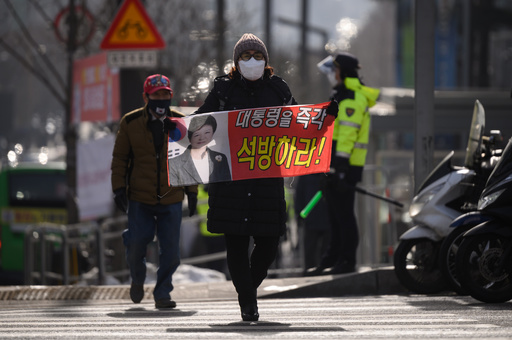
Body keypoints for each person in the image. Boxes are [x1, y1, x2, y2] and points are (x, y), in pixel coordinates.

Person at [193, 33, 298, 322]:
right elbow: (200, 124)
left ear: (266, 61)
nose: (252, 60)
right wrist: (177, 127)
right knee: (236, 244)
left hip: (267, 178)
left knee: (269, 244)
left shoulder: (279, 90)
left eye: (257, 55)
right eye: (245, 55)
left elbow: (299, 125)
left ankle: (247, 290)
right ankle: (248, 303)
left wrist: (325, 117)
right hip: (231, 180)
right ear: (236, 62)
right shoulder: (223, 92)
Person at [111, 74, 198, 309]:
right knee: (138, 242)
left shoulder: (180, 122)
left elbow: (189, 159)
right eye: (156, 95)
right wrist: (118, 187)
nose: (161, 100)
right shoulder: (130, 123)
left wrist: (192, 192)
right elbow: (120, 158)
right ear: (145, 97)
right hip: (140, 196)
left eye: (165, 95)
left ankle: (162, 293)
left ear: (170, 96)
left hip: (171, 197)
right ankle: (137, 278)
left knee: (171, 252)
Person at [305, 53, 380, 276]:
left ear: (343, 72)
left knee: (344, 216)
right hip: (335, 166)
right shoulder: (342, 95)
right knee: (335, 217)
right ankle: (332, 259)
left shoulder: (352, 98)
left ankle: (347, 261)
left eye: (334, 71)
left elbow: (347, 135)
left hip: (344, 168)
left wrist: (339, 167)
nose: (332, 75)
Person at [169, 115, 231, 186]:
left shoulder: (221, 159)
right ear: (189, 138)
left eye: (207, 132)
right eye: (197, 135)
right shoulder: (174, 163)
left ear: (212, 134)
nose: (202, 138)